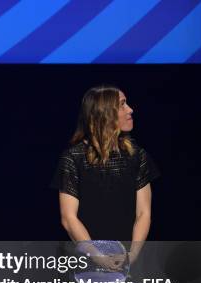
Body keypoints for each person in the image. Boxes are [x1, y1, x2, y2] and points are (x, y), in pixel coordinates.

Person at [52, 85, 158, 268]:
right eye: (123, 105)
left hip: (128, 262)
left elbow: (144, 213)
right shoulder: (74, 158)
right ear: (105, 114)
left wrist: (131, 257)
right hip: (85, 262)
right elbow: (69, 218)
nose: (130, 109)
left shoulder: (138, 156)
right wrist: (99, 258)